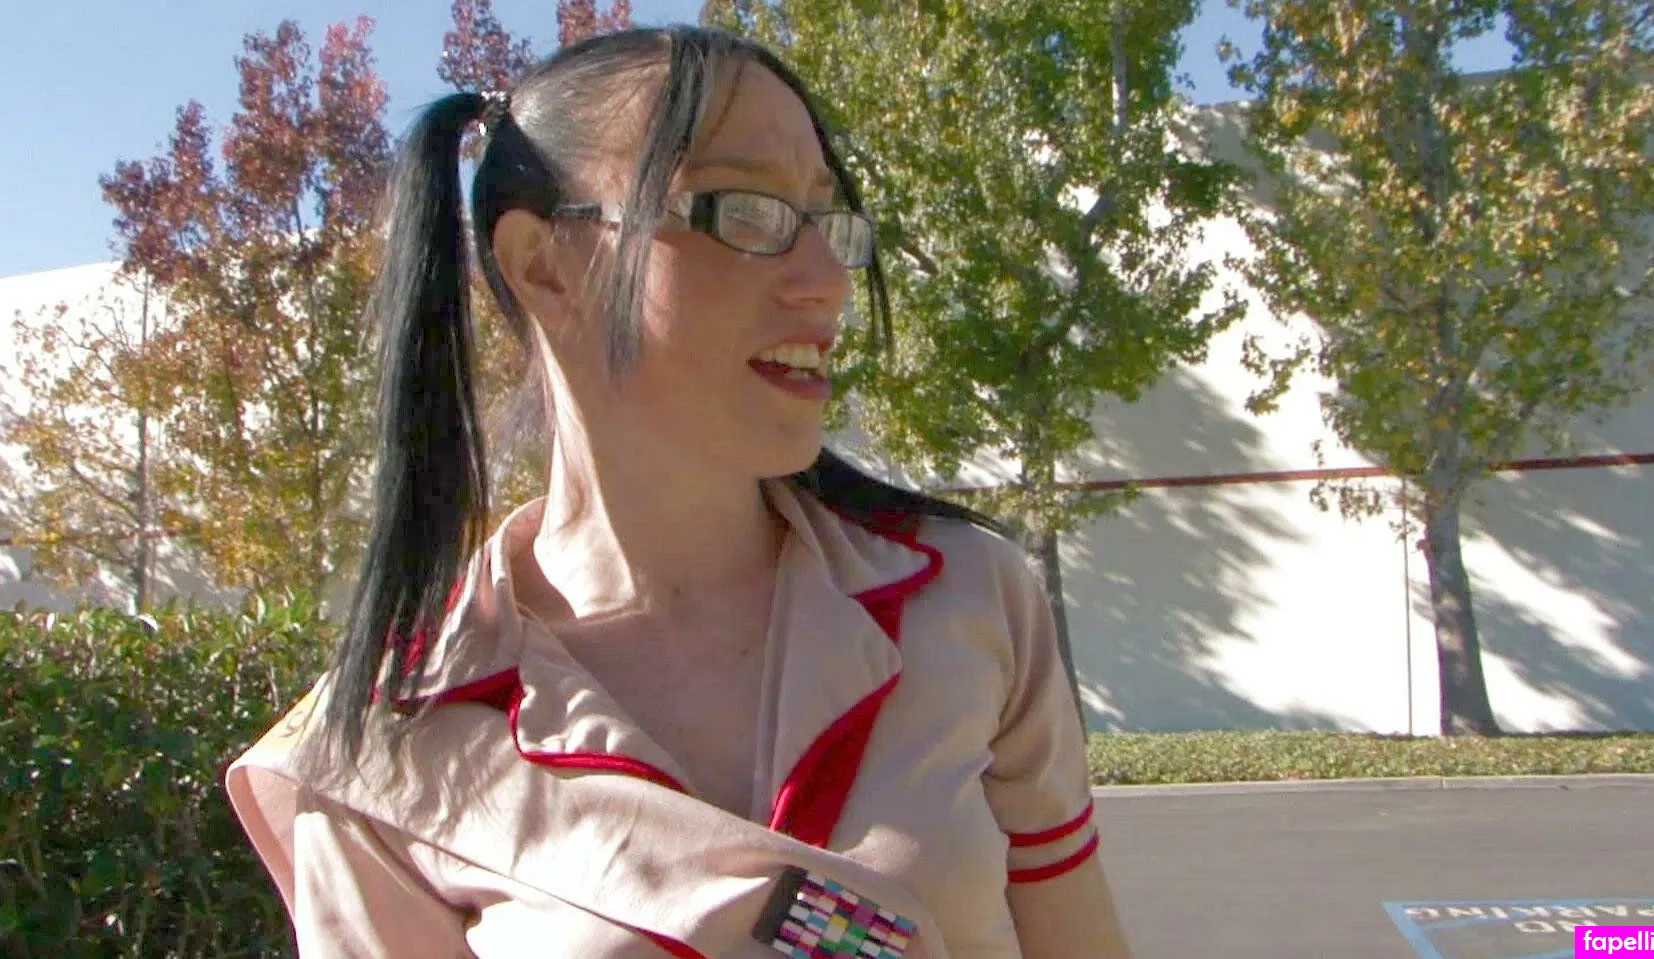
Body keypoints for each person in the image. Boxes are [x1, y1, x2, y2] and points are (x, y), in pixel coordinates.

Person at [226, 24, 1132, 959]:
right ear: (544, 265)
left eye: (828, 222)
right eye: (746, 213)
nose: (826, 282)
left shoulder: (967, 598)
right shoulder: (386, 746)